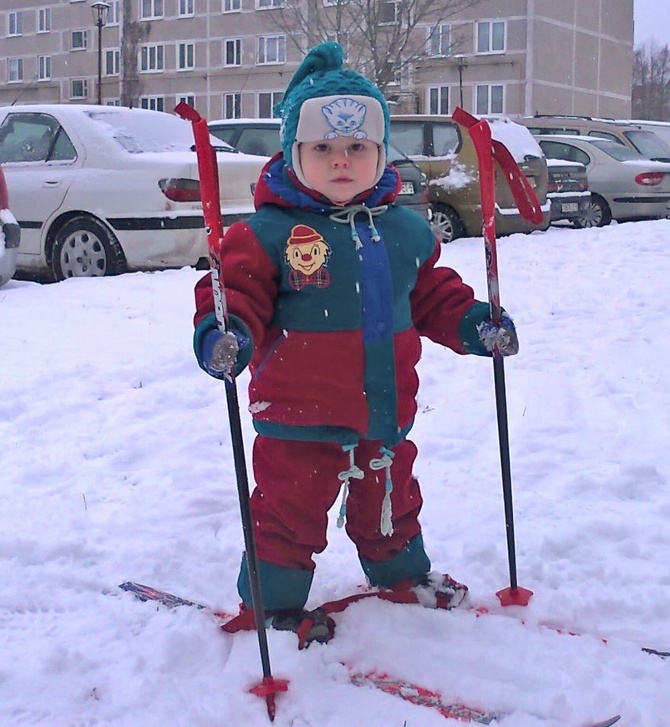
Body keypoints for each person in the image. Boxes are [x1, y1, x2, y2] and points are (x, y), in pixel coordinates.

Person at [192, 41, 518, 644]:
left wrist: (474, 323)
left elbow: (431, 296)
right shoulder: (266, 235)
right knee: (287, 515)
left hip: (383, 410)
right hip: (297, 417)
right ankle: (276, 605)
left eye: (357, 148)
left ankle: (401, 574)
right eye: (323, 148)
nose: (341, 161)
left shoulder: (403, 230)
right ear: (293, 154)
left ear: (379, 152)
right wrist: (225, 332)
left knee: (389, 499)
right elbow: (234, 296)